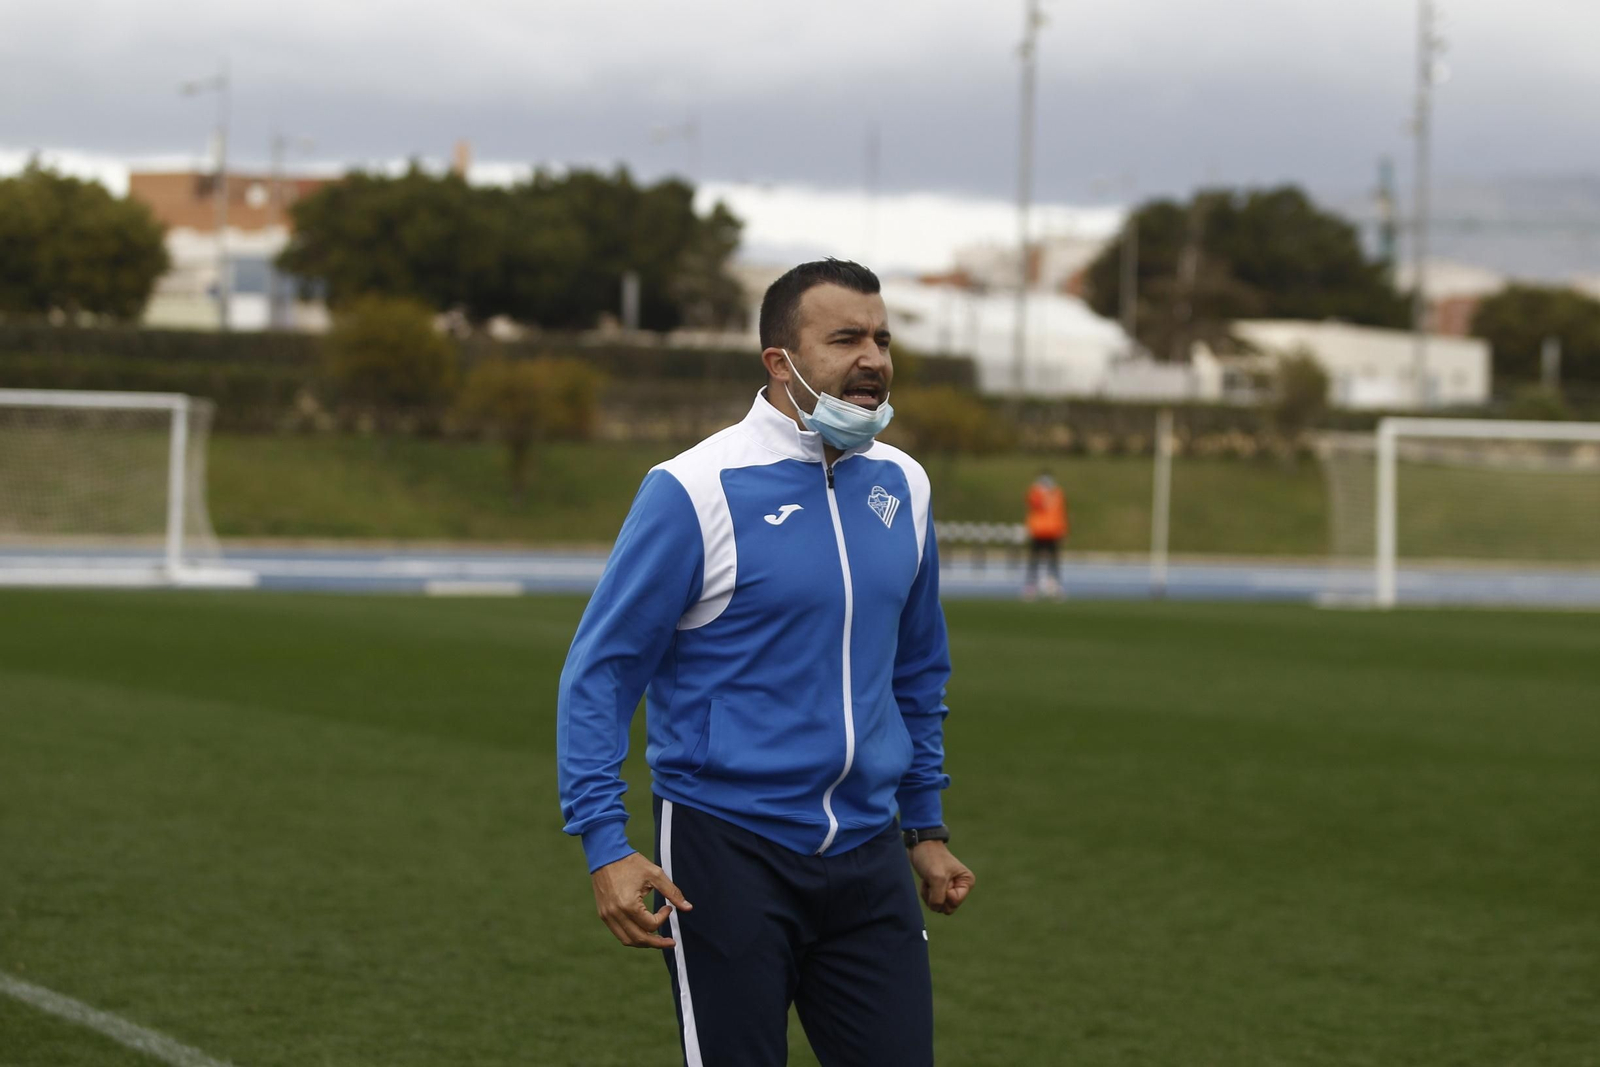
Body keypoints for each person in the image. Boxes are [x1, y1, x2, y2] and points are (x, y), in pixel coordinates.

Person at [557, 258, 975, 1067]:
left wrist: (924, 826)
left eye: (883, 337)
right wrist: (605, 843)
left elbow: (917, 673)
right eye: (846, 337)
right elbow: (601, 671)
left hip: (869, 852)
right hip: (726, 850)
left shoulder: (906, 486)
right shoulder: (694, 488)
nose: (874, 358)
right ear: (779, 361)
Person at [1024, 469, 1068, 600]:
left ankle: (1053, 585)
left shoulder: (1058, 494)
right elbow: (1034, 504)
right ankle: (1031, 585)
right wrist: (1041, 492)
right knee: (1034, 560)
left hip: (1053, 531)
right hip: (1038, 530)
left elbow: (1061, 513)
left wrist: (1063, 530)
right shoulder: (1035, 492)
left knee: (1053, 561)